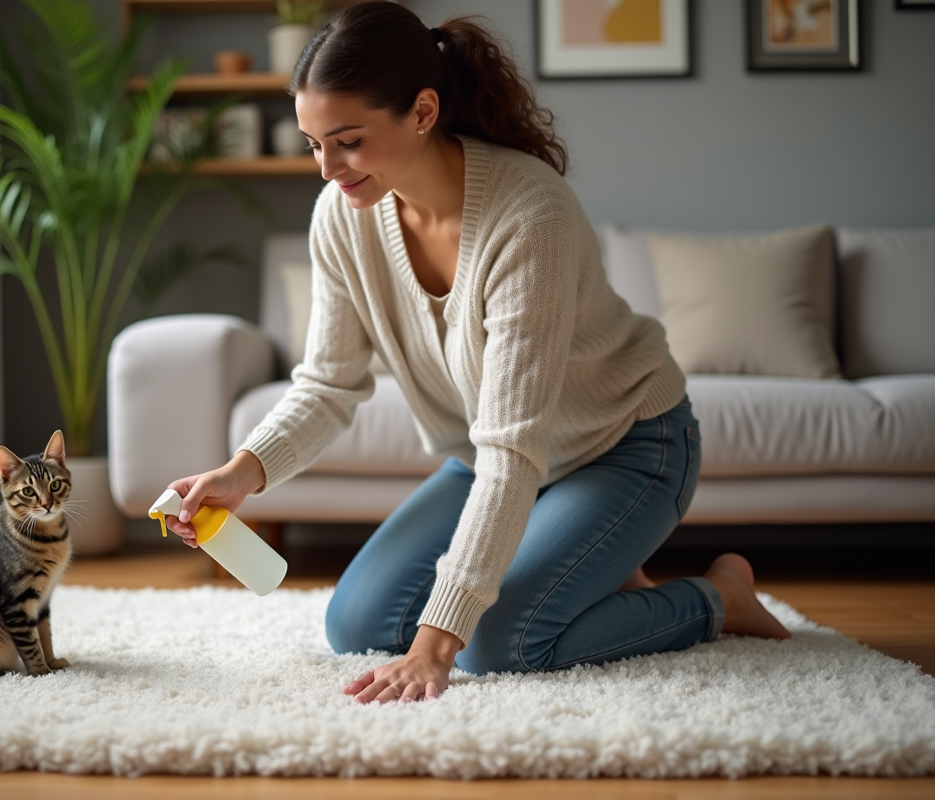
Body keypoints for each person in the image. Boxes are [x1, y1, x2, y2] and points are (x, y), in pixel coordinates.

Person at [160, 1, 790, 704]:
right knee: (357, 624)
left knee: (498, 642)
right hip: (488, 459)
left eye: (347, 141)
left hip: (625, 445)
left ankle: (717, 598)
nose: (327, 169)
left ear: (422, 112)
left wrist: (435, 649)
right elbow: (329, 385)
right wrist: (243, 472)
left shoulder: (531, 217)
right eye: (314, 144)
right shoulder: (342, 216)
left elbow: (516, 448)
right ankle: (596, 566)